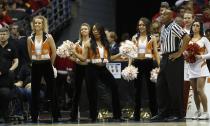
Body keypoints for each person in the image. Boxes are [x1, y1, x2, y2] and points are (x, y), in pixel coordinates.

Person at [73, 23, 123, 122]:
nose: (95, 32)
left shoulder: (105, 42)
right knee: (92, 93)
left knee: (114, 87)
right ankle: (93, 117)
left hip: (103, 68)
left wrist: (121, 54)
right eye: (94, 30)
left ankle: (117, 115)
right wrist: (74, 52)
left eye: (97, 30)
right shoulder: (88, 43)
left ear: (101, 31)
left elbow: (109, 58)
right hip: (91, 69)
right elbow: (83, 58)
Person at [151, 9, 191, 122]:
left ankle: (178, 114)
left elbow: (187, 37)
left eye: (164, 14)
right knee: (161, 86)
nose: (161, 16)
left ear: (170, 16)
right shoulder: (164, 27)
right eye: (161, 14)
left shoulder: (174, 26)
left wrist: (179, 52)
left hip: (174, 58)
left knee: (174, 87)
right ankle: (163, 113)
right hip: (165, 57)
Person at [27, 15, 59, 123]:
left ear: (43, 24)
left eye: (39, 23)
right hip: (35, 65)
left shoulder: (49, 37)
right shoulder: (29, 38)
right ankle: (34, 117)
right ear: (33, 24)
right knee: (34, 91)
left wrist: (51, 65)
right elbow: (29, 54)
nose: (37, 25)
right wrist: (34, 62)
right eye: (35, 23)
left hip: (47, 64)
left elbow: (54, 52)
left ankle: (55, 116)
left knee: (52, 90)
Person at [130, 17, 160, 121]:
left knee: (151, 89)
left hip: (148, 63)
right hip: (137, 63)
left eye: (143, 25)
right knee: (137, 89)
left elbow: (155, 52)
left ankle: (155, 113)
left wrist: (159, 66)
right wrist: (129, 65)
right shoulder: (134, 37)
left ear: (147, 26)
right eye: (139, 25)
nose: (141, 27)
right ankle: (136, 114)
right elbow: (131, 52)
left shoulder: (152, 38)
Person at [69, 23, 91, 121]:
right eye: (82, 29)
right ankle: (73, 116)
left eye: (85, 29)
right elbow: (74, 57)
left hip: (89, 68)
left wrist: (77, 56)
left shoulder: (92, 42)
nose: (83, 31)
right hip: (78, 68)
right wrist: (70, 56)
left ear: (89, 30)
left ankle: (93, 114)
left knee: (91, 91)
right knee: (76, 92)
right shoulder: (76, 42)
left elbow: (90, 57)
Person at [188, 20, 210, 120]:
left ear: (200, 28)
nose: (195, 27)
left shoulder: (204, 39)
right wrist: (185, 54)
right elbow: (184, 50)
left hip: (201, 67)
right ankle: (198, 111)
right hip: (191, 67)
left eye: (197, 25)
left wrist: (201, 56)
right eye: (194, 25)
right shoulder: (188, 39)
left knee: (200, 90)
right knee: (195, 92)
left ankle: (206, 112)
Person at [0, 27, 19, 123]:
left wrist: (10, 70)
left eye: (4, 34)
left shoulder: (12, 46)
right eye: (0, 34)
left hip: (6, 78)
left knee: (5, 93)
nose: (2, 36)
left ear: (7, 35)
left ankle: (5, 115)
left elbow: (16, 61)